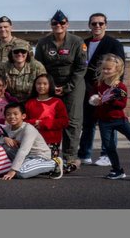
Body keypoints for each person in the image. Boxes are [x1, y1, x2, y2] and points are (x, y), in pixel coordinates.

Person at [34, 10, 87, 173]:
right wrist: (48, 86)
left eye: (62, 23)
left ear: (67, 24)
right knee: (47, 119)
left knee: (72, 121)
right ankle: (48, 155)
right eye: (55, 23)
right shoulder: (43, 43)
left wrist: (67, 87)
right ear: (51, 25)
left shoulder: (77, 42)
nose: (58, 26)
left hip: (73, 85)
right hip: (51, 84)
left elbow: (81, 67)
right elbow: (40, 66)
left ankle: (70, 157)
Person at [90, 54, 130, 180]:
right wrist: (95, 100)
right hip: (104, 121)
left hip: (120, 119)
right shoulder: (98, 85)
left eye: (108, 69)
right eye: (104, 68)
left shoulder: (120, 87)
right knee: (109, 147)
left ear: (117, 70)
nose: (105, 71)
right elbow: (92, 98)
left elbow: (122, 105)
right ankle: (117, 170)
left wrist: (111, 99)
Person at [80, 12, 125, 167]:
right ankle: (84, 154)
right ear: (89, 25)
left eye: (100, 23)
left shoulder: (114, 44)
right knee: (88, 123)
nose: (97, 26)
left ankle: (107, 155)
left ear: (106, 25)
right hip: (87, 90)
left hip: (106, 90)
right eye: (94, 23)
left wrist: (112, 91)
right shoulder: (83, 43)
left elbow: (119, 69)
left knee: (108, 123)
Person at [0, 103, 64, 180]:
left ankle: (54, 163)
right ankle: (24, 166)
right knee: (5, 146)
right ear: (5, 117)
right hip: (26, 157)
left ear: (23, 116)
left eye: (16, 114)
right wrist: (4, 139)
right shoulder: (7, 128)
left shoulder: (28, 129)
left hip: (38, 156)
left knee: (21, 173)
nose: (12, 117)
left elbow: (23, 150)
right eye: (8, 114)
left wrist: (13, 170)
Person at [25, 74, 68, 157]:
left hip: (52, 140)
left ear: (50, 85)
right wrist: (34, 122)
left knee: (51, 165)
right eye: (38, 83)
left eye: (45, 84)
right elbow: (23, 121)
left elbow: (64, 121)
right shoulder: (30, 103)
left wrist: (43, 123)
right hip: (33, 140)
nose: (41, 86)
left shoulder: (57, 102)